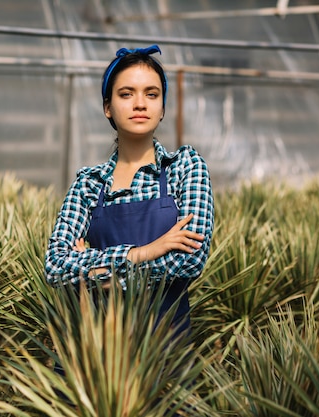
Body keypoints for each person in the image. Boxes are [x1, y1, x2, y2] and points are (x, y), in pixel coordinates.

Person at [45, 44, 214, 336]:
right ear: (107, 107)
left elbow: (189, 259)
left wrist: (99, 275)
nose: (140, 104)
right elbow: (57, 267)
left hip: (164, 350)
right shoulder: (88, 183)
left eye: (152, 94)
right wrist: (145, 252)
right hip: (94, 352)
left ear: (162, 107)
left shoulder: (184, 168)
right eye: (126, 94)